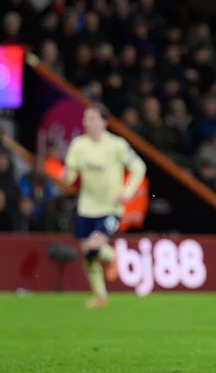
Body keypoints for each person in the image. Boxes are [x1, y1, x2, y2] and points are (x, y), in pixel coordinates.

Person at [62, 105, 146, 308]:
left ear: (103, 122)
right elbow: (71, 174)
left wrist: (127, 191)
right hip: (86, 207)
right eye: (85, 118)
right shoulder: (78, 145)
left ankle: (112, 256)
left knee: (94, 245)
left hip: (110, 208)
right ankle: (100, 295)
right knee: (88, 252)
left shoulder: (116, 145)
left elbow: (138, 167)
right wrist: (67, 176)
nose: (87, 122)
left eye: (92, 118)